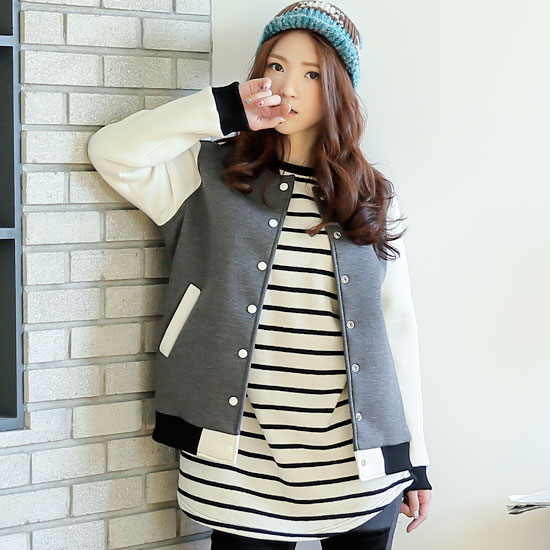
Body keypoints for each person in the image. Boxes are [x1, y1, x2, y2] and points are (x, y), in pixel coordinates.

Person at [87, 2, 433, 548]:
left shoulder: (372, 197)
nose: (288, 86)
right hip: (238, 462)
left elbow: (399, 329)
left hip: (356, 464)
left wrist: (415, 458)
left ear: (338, 89)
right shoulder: (206, 174)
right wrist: (226, 108)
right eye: (276, 66)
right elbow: (111, 152)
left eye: (312, 74)